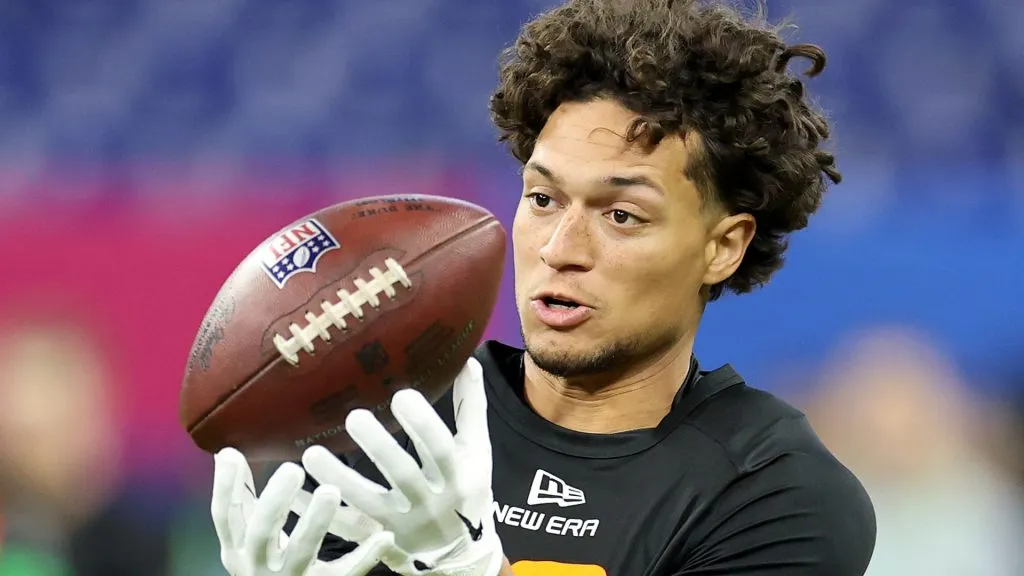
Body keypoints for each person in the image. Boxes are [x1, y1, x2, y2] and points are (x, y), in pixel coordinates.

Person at [209, 0, 876, 574]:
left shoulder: (776, 492)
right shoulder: (388, 422)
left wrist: (470, 568)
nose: (561, 250)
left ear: (722, 246)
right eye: (543, 199)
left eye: (621, 215)